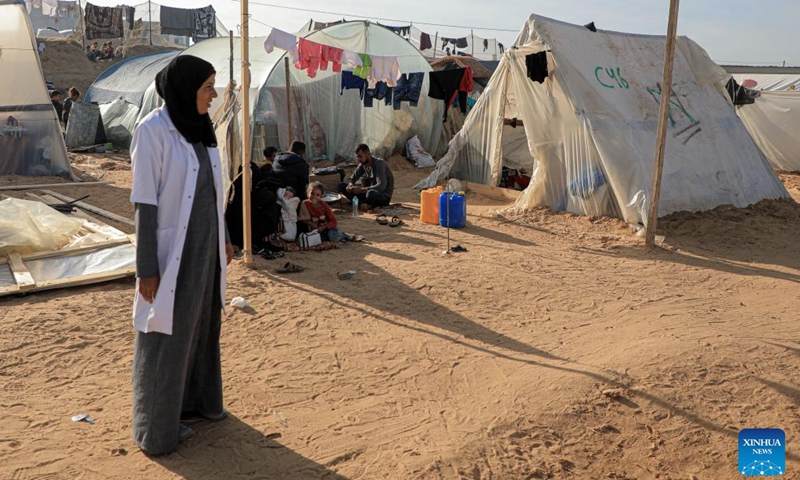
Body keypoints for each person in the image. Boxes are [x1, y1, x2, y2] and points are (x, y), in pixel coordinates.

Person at [129, 55, 234, 456]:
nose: (214, 94)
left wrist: (224, 238)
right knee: (165, 335)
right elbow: (144, 203)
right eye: (207, 87)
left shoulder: (202, 129)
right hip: (173, 250)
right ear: (186, 89)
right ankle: (155, 428)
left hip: (206, 247)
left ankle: (194, 404)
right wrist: (147, 268)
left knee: (202, 326)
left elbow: (212, 190)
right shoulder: (152, 131)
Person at [338, 144, 394, 210]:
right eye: (357, 157)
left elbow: (381, 186)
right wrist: (350, 185)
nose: (359, 159)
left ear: (368, 154)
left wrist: (362, 190)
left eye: (360, 156)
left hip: (382, 196)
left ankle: (363, 203)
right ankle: (364, 203)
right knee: (341, 186)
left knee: (370, 193)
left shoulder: (380, 164)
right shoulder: (363, 164)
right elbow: (352, 178)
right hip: (368, 193)